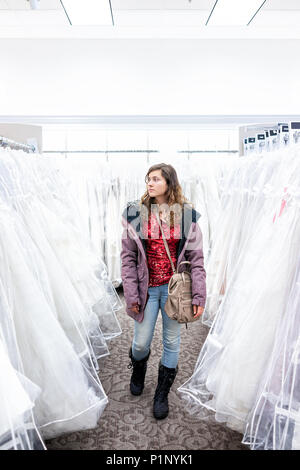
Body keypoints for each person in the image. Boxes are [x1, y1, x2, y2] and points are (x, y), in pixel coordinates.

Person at [121, 163, 206, 420]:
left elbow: (197, 259)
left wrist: (199, 295)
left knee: (171, 342)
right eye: (148, 178)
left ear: (169, 183)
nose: (150, 183)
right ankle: (138, 367)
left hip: (174, 292)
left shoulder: (187, 216)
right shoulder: (135, 213)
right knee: (140, 342)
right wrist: (131, 293)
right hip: (147, 290)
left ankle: (161, 393)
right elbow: (127, 257)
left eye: (156, 179)